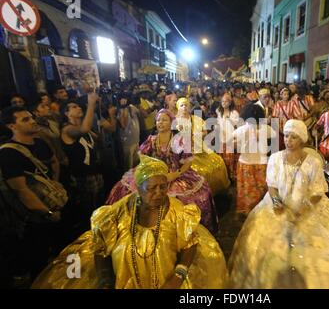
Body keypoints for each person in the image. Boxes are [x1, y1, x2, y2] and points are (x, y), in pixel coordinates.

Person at [228, 120, 329, 289]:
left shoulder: (313, 162)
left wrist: (302, 209)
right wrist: (275, 201)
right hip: (278, 205)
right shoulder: (275, 158)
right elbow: (272, 185)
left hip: (310, 208)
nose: (289, 140)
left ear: (302, 140)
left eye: (294, 137)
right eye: (287, 136)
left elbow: (318, 192)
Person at [31, 156, 228, 289]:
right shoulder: (117, 213)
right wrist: (106, 281)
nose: (159, 193)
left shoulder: (177, 211)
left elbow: (189, 243)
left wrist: (178, 275)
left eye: (163, 187)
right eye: (151, 188)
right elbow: (102, 249)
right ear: (138, 188)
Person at [106, 109, 218, 234]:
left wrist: (175, 174)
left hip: (176, 175)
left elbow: (188, 162)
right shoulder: (151, 140)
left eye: (164, 120)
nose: (160, 122)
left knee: (195, 198)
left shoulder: (180, 140)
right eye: (158, 120)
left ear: (172, 123)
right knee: (125, 192)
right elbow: (143, 158)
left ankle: (178, 233)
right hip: (153, 174)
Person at [0, 106, 61, 281]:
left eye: (31, 117)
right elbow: (22, 191)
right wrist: (47, 212)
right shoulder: (9, 153)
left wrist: (54, 185)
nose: (33, 121)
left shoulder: (40, 142)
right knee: (39, 262)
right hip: (33, 218)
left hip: (54, 207)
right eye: (25, 119)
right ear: (12, 126)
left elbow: (54, 161)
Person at [61, 91, 104, 232]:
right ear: (66, 114)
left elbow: (96, 138)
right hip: (82, 177)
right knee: (87, 210)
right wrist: (91, 104)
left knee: (97, 206)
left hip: (95, 172)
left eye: (78, 106)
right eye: (73, 107)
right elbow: (83, 129)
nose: (78, 108)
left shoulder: (84, 129)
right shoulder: (67, 130)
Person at [176, 97, 230, 196]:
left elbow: (205, 132)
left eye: (186, 105)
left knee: (218, 162)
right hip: (185, 154)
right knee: (201, 171)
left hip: (201, 149)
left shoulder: (197, 119)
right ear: (178, 108)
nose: (184, 107)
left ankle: (217, 193)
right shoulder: (176, 122)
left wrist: (197, 135)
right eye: (181, 105)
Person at [233, 104, 277, 215]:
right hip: (262, 163)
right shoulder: (267, 129)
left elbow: (231, 142)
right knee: (262, 188)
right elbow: (274, 135)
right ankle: (263, 210)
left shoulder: (241, 130)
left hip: (246, 163)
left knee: (248, 189)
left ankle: (249, 211)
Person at [216, 93, 240, 182]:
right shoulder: (219, 111)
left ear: (230, 103)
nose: (224, 103)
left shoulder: (234, 113)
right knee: (222, 159)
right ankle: (224, 176)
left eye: (226, 101)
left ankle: (231, 177)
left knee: (230, 159)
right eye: (222, 101)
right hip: (221, 138)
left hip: (230, 138)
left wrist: (229, 118)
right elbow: (218, 122)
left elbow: (237, 124)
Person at [117, 93, 141, 172]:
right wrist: (124, 108)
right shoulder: (119, 111)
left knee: (136, 164)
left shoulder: (132, 107)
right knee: (128, 167)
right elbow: (123, 125)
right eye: (122, 99)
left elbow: (141, 114)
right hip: (128, 143)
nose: (124, 101)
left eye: (125, 99)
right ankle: (127, 182)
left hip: (136, 141)